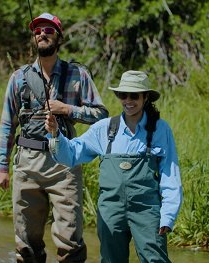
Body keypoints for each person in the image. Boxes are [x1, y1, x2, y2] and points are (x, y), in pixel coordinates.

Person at [0, 12, 109, 263]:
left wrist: (67, 110)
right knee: (26, 242)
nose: (42, 34)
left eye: (48, 30)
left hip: (65, 164)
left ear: (59, 37)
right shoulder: (19, 78)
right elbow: (7, 125)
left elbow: (102, 116)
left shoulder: (78, 74)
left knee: (70, 240)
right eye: (37, 31)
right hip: (27, 164)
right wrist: (2, 167)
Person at [45, 70, 183, 263]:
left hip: (147, 211)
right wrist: (55, 134)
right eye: (123, 94)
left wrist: (167, 216)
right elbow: (71, 154)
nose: (128, 100)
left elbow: (171, 176)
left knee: (155, 259)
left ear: (145, 98)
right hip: (110, 211)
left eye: (134, 95)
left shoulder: (161, 129)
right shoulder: (104, 128)